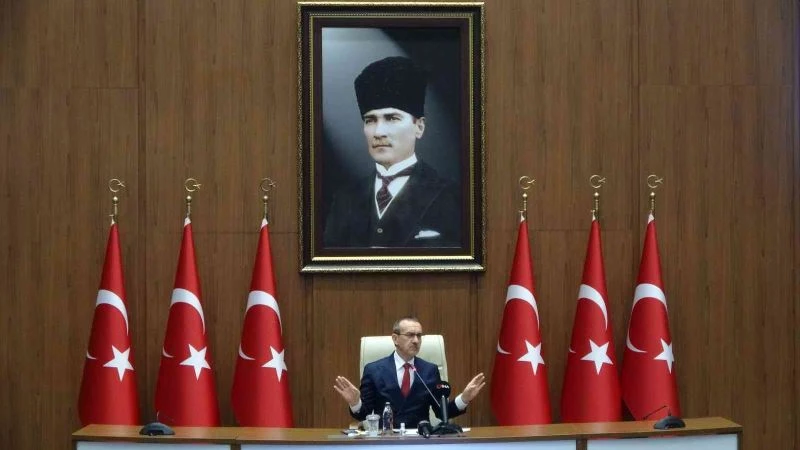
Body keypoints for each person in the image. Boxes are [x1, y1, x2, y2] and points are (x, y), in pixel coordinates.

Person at [323, 56, 462, 248]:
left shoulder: (452, 198)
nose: (379, 132)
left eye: (392, 118)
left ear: (419, 127)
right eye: (370, 120)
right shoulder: (344, 200)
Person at [333, 317, 486, 429]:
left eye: (419, 335)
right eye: (410, 335)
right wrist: (355, 403)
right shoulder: (374, 370)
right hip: (386, 440)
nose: (416, 340)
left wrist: (464, 398)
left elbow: (441, 412)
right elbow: (363, 414)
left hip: (420, 439)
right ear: (395, 339)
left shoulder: (429, 370)